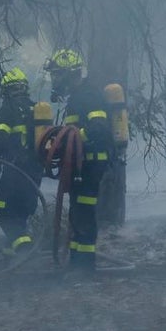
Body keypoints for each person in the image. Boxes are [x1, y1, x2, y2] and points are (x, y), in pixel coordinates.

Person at [44, 49, 113, 272]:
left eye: (57, 74)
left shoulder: (89, 96)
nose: (55, 80)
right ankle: (77, 262)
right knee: (77, 212)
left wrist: (71, 139)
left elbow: (99, 129)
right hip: (81, 165)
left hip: (91, 165)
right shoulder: (77, 98)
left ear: (70, 74)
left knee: (83, 212)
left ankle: (84, 266)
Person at [0, 68, 42, 255]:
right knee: (22, 210)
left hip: (14, 169)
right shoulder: (36, 108)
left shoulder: (8, 108)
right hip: (35, 171)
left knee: (3, 209)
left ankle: (23, 247)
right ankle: (18, 246)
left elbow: (0, 138)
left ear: (5, 90)